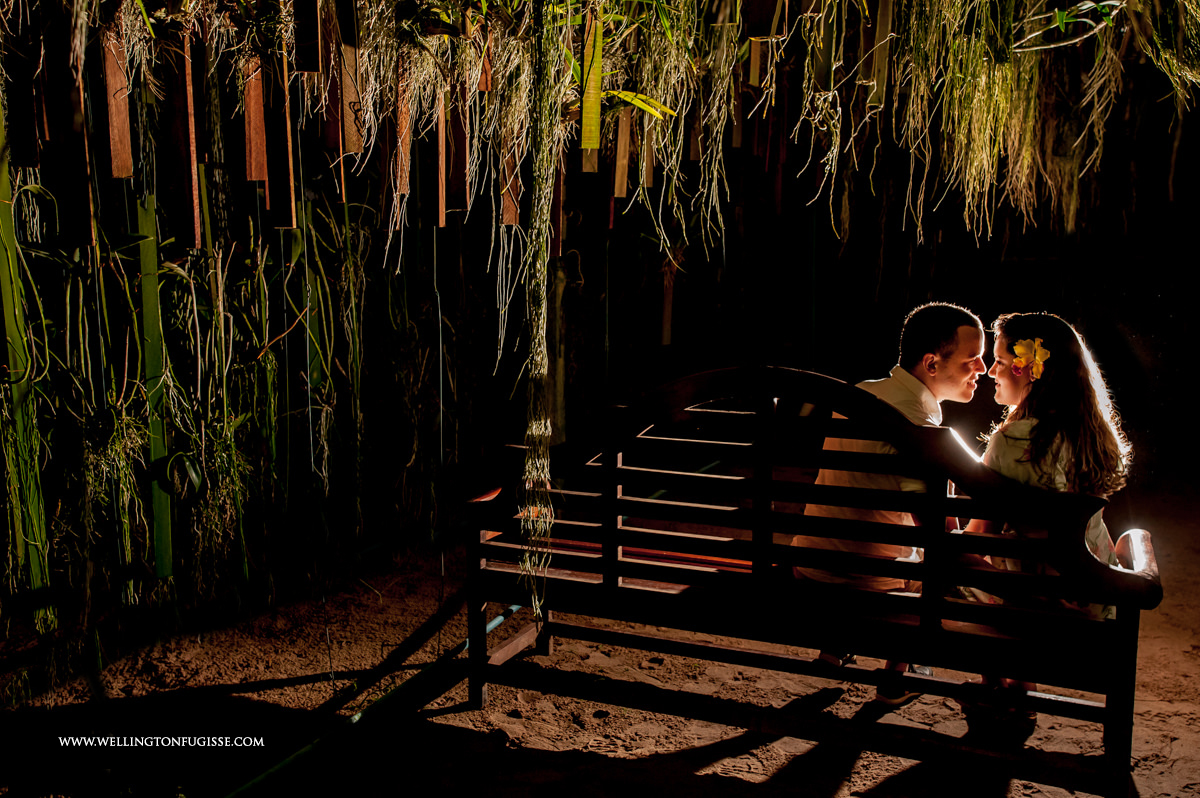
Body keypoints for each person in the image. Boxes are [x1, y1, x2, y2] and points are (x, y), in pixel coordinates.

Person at [792, 302, 987, 704]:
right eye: (972, 358)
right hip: (865, 586)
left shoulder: (863, 393)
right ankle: (898, 677)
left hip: (809, 568)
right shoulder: (918, 427)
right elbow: (940, 536)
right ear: (931, 364)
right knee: (943, 568)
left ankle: (836, 646)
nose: (982, 369)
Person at [958, 312, 1130, 720]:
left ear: (1031, 370)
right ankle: (1014, 691)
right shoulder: (1096, 437)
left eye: (1001, 361)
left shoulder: (1011, 441)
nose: (992, 372)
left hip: (1031, 602)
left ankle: (1005, 687)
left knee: (963, 560)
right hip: (1092, 598)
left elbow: (978, 534)